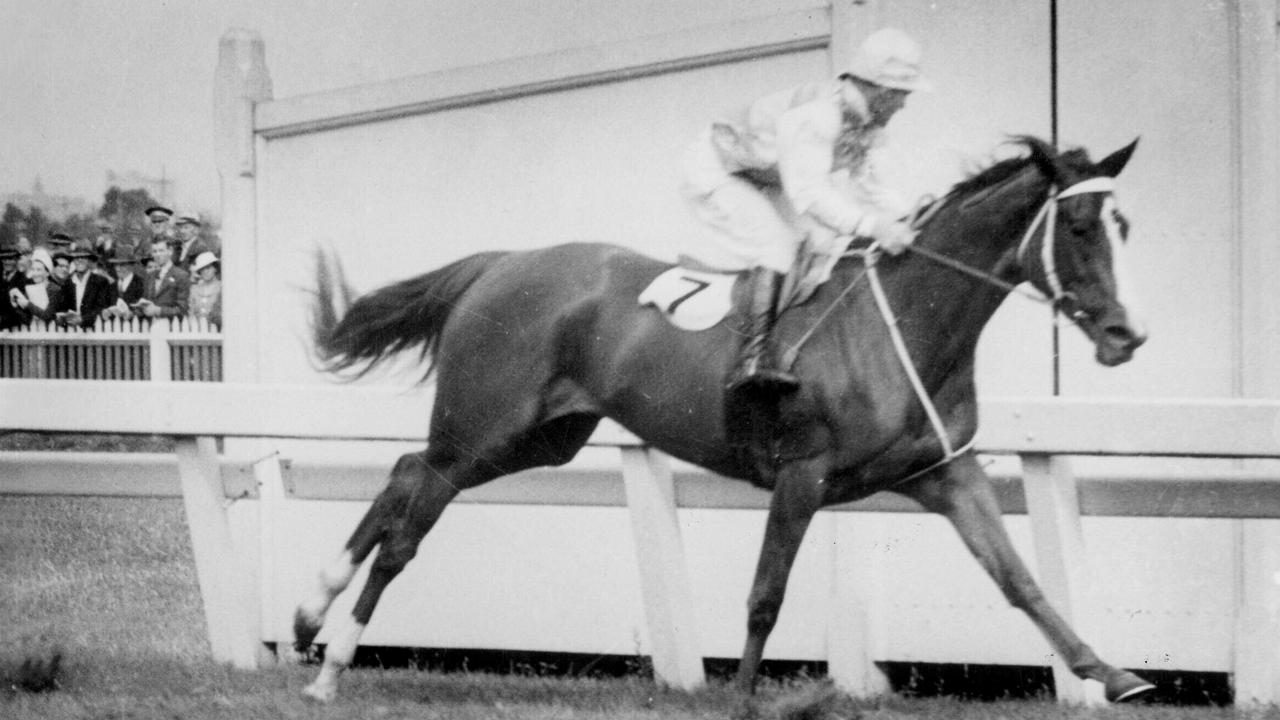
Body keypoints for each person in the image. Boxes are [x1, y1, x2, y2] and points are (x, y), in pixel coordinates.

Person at [681, 27, 929, 396]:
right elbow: (810, 195)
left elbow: (872, 187)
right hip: (717, 169)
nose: (904, 104)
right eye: (901, 95)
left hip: (765, 175)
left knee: (818, 246)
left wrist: (913, 217)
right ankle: (751, 362)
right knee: (777, 248)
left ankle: (788, 345)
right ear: (880, 89)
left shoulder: (868, 123)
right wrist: (876, 227)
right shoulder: (818, 116)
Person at [54, 245, 115, 328]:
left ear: (90, 260)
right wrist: (63, 317)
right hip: (71, 330)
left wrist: (82, 319)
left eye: (84, 257)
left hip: (93, 329)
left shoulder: (100, 282)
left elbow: (101, 308)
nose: (80, 260)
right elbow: (62, 307)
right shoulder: (68, 282)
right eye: (76, 258)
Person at [136, 235, 189, 319]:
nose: (157, 255)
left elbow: (182, 310)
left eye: (161, 251)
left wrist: (158, 310)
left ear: (170, 251)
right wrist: (131, 312)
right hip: (150, 327)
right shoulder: (150, 276)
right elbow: (145, 304)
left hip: (171, 328)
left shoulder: (181, 275)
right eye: (154, 251)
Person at [12, 248, 62, 324]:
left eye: (39, 270)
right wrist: (16, 306)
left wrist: (28, 304)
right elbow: (26, 317)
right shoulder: (30, 288)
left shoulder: (54, 289)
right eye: (33, 269)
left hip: (52, 331)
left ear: (47, 273)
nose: (35, 273)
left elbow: (48, 315)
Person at [103, 246, 147, 319]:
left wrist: (132, 314)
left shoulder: (141, 284)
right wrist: (106, 312)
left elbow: (144, 309)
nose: (118, 268)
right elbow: (105, 307)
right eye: (116, 265)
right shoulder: (111, 287)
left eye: (122, 265)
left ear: (132, 265)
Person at [187, 251, 222, 328]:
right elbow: (191, 313)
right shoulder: (194, 289)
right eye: (202, 269)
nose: (205, 271)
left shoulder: (222, 287)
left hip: (217, 330)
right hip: (197, 330)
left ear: (215, 268)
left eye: (208, 268)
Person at [1, 245, 30, 331]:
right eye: (4, 259)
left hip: (16, 329)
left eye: (10, 259)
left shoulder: (24, 281)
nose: (7, 262)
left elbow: (23, 312)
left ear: (17, 260)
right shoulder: (2, 279)